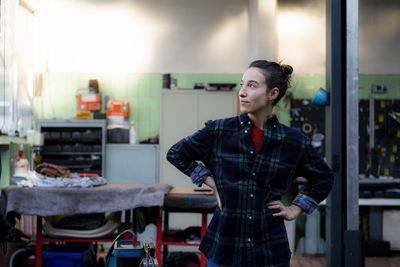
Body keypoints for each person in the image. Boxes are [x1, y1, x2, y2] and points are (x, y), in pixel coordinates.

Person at [167, 60, 334, 267]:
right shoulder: (220, 131)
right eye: (242, 84)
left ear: (272, 94)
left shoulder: (293, 141)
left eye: (252, 85)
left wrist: (296, 208)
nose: (242, 92)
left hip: (270, 250)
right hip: (225, 247)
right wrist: (213, 183)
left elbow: (323, 177)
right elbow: (176, 153)